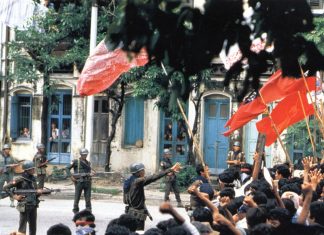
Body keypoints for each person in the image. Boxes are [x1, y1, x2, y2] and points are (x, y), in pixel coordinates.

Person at [123, 161, 181, 230]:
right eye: (143, 170)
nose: (144, 172)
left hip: (130, 212)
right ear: (138, 172)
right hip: (137, 216)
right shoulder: (138, 181)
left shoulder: (129, 180)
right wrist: (170, 170)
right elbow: (154, 177)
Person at [3, 160, 43, 235]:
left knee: (33, 227)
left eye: (33, 168)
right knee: (22, 228)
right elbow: (5, 188)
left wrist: (39, 193)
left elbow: (34, 193)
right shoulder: (19, 179)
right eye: (32, 169)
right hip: (24, 205)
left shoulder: (33, 179)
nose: (34, 170)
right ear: (27, 170)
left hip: (33, 205)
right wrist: (15, 197)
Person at [66, 148, 93, 213]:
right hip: (79, 182)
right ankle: (75, 210)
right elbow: (67, 168)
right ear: (81, 154)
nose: (85, 156)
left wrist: (91, 174)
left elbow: (88, 172)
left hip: (87, 182)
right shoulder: (76, 161)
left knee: (88, 198)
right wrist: (71, 177)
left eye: (86, 154)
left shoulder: (88, 163)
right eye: (83, 154)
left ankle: (88, 211)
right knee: (77, 196)